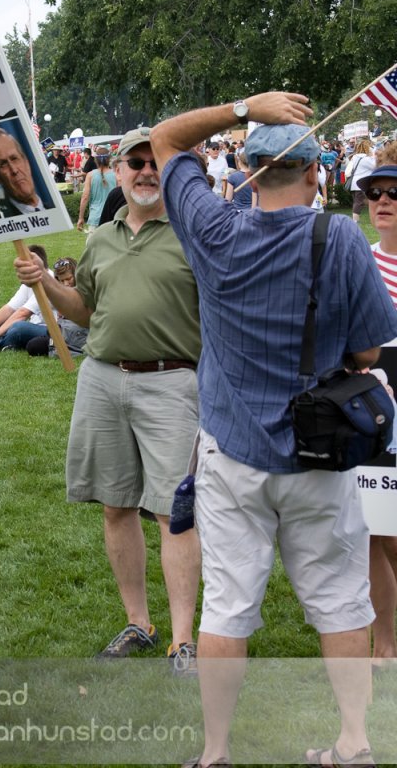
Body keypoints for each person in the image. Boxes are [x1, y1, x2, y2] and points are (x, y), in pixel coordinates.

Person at [150, 92, 397, 768]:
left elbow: (166, 139)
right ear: (316, 172)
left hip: (232, 454)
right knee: (341, 601)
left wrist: (244, 108)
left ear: (249, 175)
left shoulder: (213, 229)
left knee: (227, 607)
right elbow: (369, 350)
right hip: (320, 454)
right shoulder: (341, 239)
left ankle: (215, 753)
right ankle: (354, 743)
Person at [15, 127, 201, 668]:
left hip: (171, 382)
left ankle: (183, 640)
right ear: (116, 171)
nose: (146, 171)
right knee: (116, 505)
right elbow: (85, 310)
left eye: (155, 161)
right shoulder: (100, 237)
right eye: (135, 163)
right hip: (101, 378)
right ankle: (139, 623)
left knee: (174, 513)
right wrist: (45, 282)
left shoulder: (194, 233)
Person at [357, 162, 397, 665]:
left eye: (394, 193)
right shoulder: (361, 262)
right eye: (374, 192)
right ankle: (384, 645)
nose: (382, 201)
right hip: (369, 413)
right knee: (369, 533)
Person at [0, 245, 52, 350]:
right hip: (35, 326)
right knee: (4, 323)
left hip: (51, 330)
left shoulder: (49, 281)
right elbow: (9, 308)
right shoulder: (31, 281)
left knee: (19, 327)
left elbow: (23, 313)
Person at [0, 126, 53, 216]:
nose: (14, 170)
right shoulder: (1, 219)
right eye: (3, 164)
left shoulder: (55, 208)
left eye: (14, 158)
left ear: (26, 162)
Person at [26, 258, 89, 358]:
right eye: (62, 280)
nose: (66, 284)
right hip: (60, 332)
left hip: (77, 336)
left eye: (69, 279)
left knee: (32, 342)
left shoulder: (85, 291)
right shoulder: (59, 293)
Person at [76, 148, 116, 230]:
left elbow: (85, 197)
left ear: (96, 160)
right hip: (113, 217)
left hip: (95, 216)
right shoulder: (116, 174)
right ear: (109, 159)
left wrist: (81, 217)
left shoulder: (90, 175)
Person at [345, 137, 375, 223]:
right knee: (359, 202)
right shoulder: (366, 159)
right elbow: (375, 166)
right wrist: (373, 155)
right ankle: (355, 220)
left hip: (355, 183)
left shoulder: (355, 157)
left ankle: (356, 219)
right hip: (362, 183)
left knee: (358, 201)